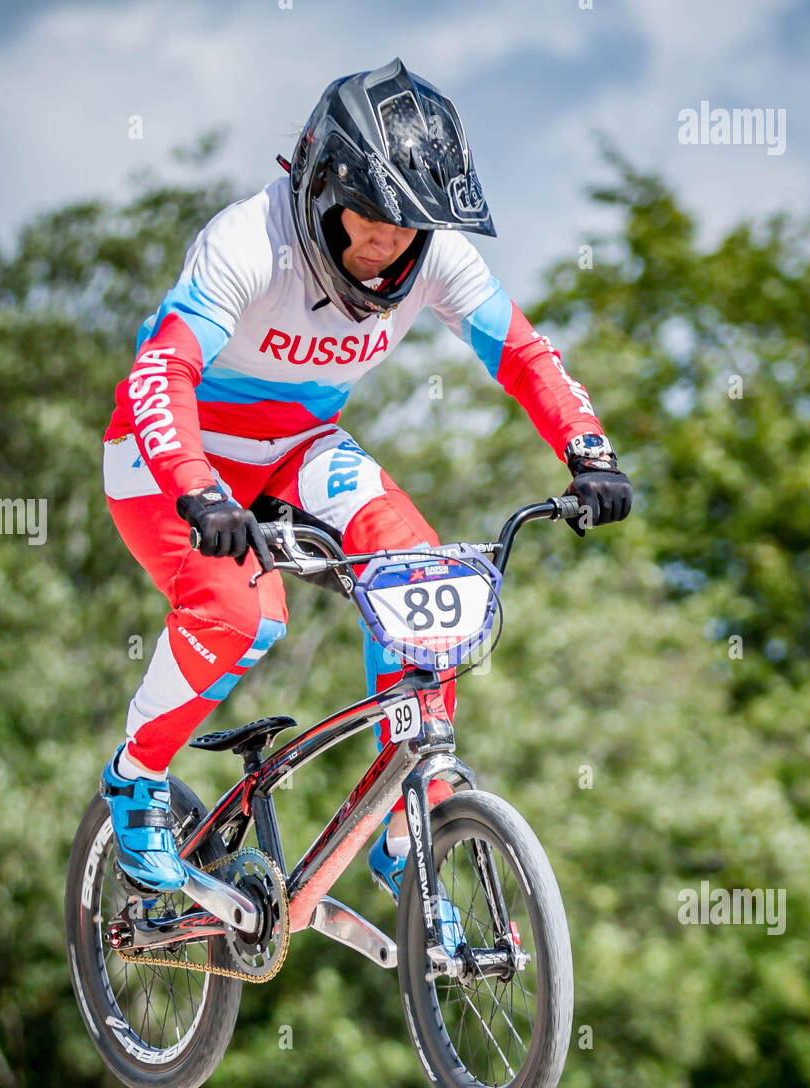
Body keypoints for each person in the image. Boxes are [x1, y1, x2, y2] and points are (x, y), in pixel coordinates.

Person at [98, 57, 632, 908]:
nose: (389, 242)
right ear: (321, 190)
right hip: (168, 449)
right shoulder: (249, 241)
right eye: (372, 216)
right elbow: (163, 371)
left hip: (297, 449)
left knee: (421, 571)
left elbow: (524, 355)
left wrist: (589, 450)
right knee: (244, 615)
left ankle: (407, 814)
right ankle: (136, 775)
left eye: (409, 223)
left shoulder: (436, 254)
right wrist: (198, 486)